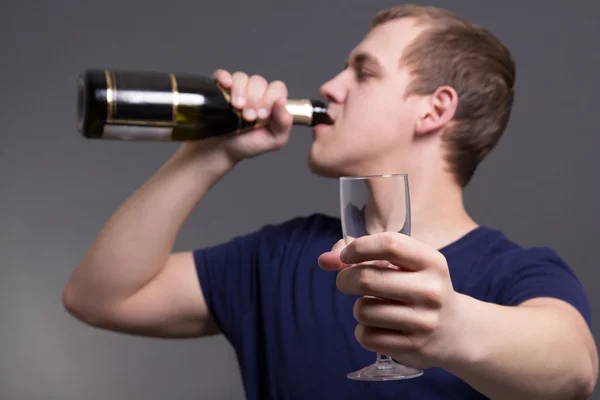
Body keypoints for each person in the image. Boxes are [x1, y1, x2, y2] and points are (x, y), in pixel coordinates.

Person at [62, 4, 598, 399]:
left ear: (434, 110)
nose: (330, 86)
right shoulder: (282, 254)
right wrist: (210, 154)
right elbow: (100, 297)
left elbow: (575, 368)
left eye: (363, 72)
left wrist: (449, 326)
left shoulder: (518, 272)